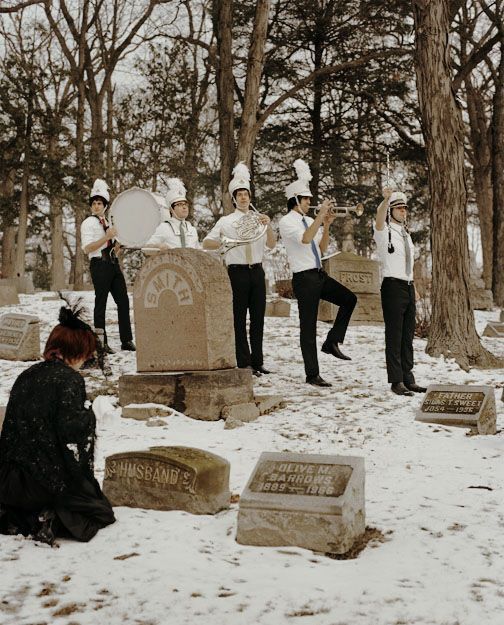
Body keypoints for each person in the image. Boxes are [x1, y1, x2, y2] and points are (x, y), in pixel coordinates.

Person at [0, 304, 116, 545]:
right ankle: (47, 519)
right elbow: (72, 439)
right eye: (87, 353)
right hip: (40, 484)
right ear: (77, 351)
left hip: (8, 480)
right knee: (100, 511)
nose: (87, 360)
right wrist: (91, 416)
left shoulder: (27, 375)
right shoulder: (69, 380)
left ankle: (21, 516)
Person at [279, 159, 357, 387]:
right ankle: (312, 373)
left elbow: (321, 248)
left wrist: (327, 224)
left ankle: (332, 341)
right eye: (306, 200)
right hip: (304, 279)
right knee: (308, 326)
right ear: (295, 201)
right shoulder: (287, 222)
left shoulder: (310, 220)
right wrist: (320, 218)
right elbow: (304, 239)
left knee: (349, 299)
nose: (309, 203)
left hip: (318, 274)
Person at [203, 162, 276, 376]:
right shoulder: (225, 221)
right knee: (238, 318)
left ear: (250, 197)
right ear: (234, 198)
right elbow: (207, 243)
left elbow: (271, 244)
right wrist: (227, 242)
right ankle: (243, 362)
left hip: (257, 272)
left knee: (258, 319)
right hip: (237, 272)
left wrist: (268, 225)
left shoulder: (259, 219)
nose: (244, 197)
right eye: (240, 194)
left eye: (246, 194)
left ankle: (258, 361)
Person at [374, 188, 426, 396]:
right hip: (392, 286)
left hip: (407, 286)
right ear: (391, 211)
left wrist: (413, 287)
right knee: (394, 335)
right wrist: (385, 200)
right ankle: (396, 381)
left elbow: (409, 264)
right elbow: (378, 218)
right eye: (399, 208)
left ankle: (408, 376)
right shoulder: (383, 231)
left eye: (405, 208)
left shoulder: (406, 234)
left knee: (407, 335)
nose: (403, 211)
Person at [81, 179, 135, 353]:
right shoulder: (88, 223)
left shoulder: (109, 221)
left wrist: (116, 247)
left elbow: (112, 244)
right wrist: (106, 237)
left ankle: (126, 340)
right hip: (99, 266)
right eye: (94, 203)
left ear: (105, 205)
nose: (96, 206)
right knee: (101, 304)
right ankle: (101, 343)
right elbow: (88, 248)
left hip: (113, 264)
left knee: (123, 302)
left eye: (100, 203)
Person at [147, 178, 199, 250]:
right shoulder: (164, 227)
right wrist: (158, 246)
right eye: (180, 204)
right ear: (171, 209)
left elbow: (198, 252)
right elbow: (146, 248)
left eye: (185, 204)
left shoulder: (192, 230)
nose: (184, 207)